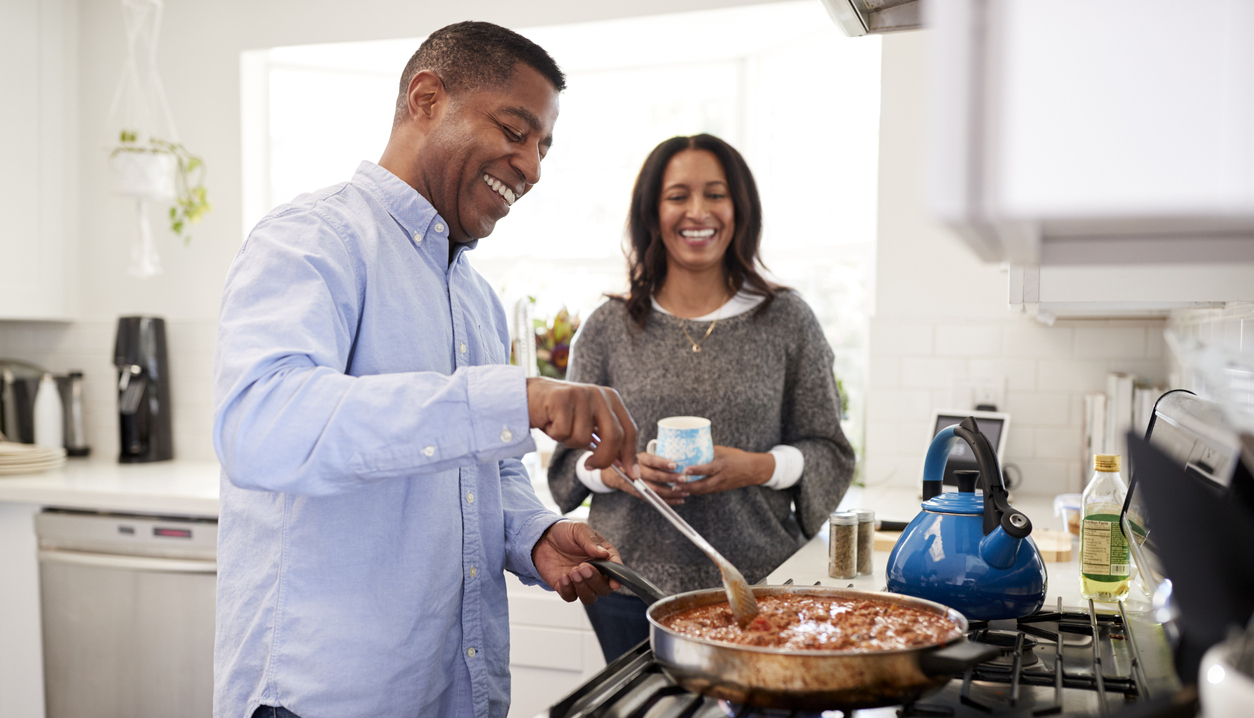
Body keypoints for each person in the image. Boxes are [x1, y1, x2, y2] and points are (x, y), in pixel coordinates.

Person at [212, 22, 641, 718]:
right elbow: (262, 425)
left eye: (542, 147)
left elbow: (485, 470)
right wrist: (516, 399)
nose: (531, 167)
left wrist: (533, 533)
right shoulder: (310, 240)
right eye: (514, 130)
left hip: (452, 692)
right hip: (324, 700)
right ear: (426, 97)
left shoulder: (474, 295)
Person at [547, 134, 856, 662]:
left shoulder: (787, 320)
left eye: (715, 194)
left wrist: (756, 467)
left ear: (740, 209)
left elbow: (830, 450)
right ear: (652, 211)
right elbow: (567, 467)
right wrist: (626, 473)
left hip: (758, 586)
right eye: (677, 196)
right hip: (629, 588)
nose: (697, 212)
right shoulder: (607, 328)